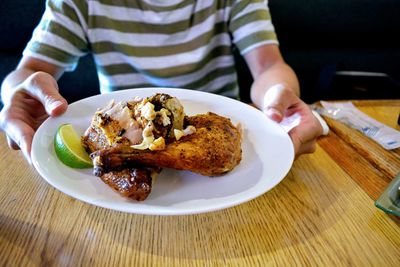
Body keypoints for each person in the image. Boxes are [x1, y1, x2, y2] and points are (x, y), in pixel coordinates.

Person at [0, 0, 323, 164]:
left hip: (222, 130)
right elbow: (29, 72)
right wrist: (19, 93)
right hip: (123, 136)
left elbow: (269, 65)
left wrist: (280, 99)